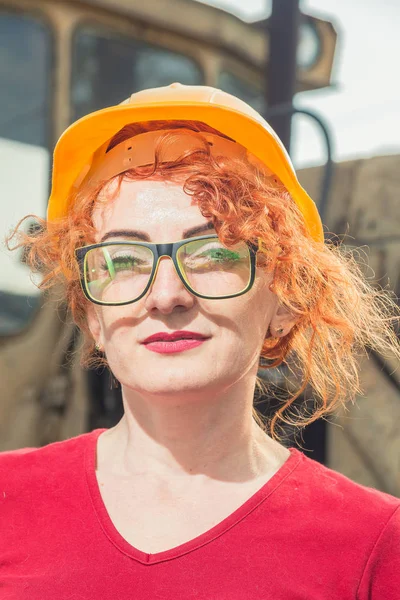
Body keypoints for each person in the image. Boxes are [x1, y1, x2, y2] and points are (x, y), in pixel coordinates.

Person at [1, 82, 399, 598]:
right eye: (123, 260)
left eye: (214, 255)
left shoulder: (375, 546)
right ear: (91, 315)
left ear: (284, 300)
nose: (165, 296)